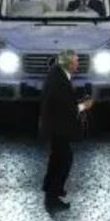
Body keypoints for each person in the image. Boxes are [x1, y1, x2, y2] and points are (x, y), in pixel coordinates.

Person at [39, 49, 90, 211]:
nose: (77, 66)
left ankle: (50, 190)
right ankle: (53, 194)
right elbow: (66, 107)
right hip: (58, 126)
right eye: (75, 63)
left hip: (55, 125)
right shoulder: (59, 80)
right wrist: (84, 106)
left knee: (57, 158)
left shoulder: (57, 76)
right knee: (63, 159)